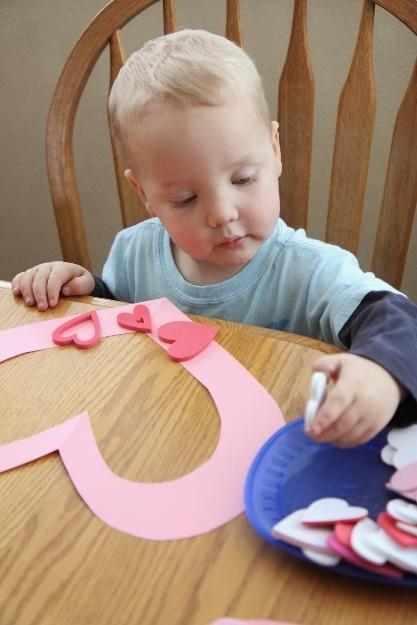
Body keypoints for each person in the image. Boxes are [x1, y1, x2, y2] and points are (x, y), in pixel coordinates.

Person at [11, 29, 417, 447]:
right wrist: (86, 289)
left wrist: (380, 373)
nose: (222, 213)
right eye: (186, 199)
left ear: (275, 150)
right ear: (145, 195)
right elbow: (121, 328)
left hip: (275, 451)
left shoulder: (312, 272)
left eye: (243, 178)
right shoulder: (133, 252)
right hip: (166, 439)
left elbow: (401, 324)